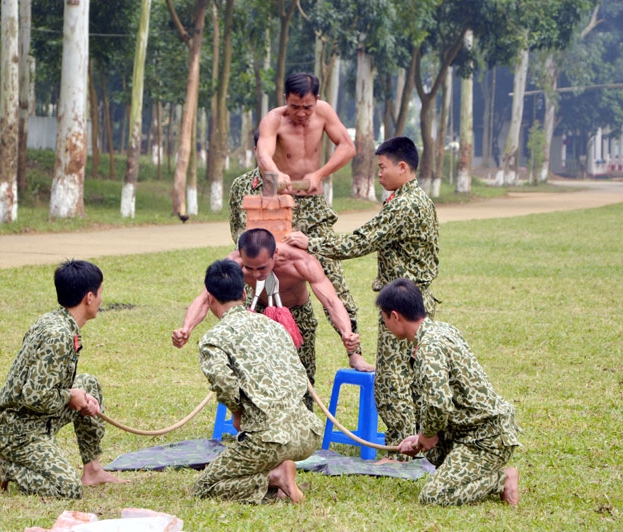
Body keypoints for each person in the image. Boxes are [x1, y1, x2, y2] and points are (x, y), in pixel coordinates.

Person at [284, 136, 439, 460]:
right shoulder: (416, 199)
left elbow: (361, 240)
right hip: (413, 298)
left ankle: (400, 452)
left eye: (382, 167)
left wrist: (312, 243)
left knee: (391, 381)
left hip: (403, 305)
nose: (378, 173)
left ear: (402, 166)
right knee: (410, 378)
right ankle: (415, 445)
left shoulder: (405, 204)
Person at [172, 228, 373, 411]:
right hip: (258, 310)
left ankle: (302, 427)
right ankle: (257, 425)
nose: (256, 274)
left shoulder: (301, 262)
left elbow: (330, 300)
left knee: (302, 376)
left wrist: (346, 332)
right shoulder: (234, 263)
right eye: (249, 269)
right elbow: (206, 297)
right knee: (254, 372)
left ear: (275, 254)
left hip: (296, 314)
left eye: (261, 268)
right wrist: (186, 328)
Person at [0, 259, 125, 499]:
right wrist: (71, 396)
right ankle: (7, 466)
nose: (101, 300)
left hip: (35, 415)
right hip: (21, 429)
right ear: (89, 297)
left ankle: (92, 470)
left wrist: (75, 394)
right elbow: (34, 396)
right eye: (100, 293)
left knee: (87, 383)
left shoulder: (56, 320)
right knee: (67, 488)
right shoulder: (58, 335)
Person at [377, 278, 520, 506]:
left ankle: (502, 479)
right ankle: (470, 469)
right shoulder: (441, 329)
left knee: (433, 496)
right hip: (474, 430)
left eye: (384, 318)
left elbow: (438, 403)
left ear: (395, 316)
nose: (385, 325)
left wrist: (425, 435)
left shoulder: (429, 347)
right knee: (433, 450)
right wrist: (420, 438)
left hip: (485, 438)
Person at [192, 259, 323, 504]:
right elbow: (298, 374)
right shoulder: (274, 326)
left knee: (205, 487)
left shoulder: (214, 339)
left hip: (268, 439)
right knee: (256, 454)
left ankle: (274, 477)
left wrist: (237, 411)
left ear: (210, 297)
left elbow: (223, 381)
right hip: (308, 434)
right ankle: (277, 472)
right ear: (245, 292)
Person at [254, 73, 362, 361]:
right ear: (285, 99)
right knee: (263, 271)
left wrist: (320, 173)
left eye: (307, 107)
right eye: (294, 106)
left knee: (333, 278)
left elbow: (348, 147)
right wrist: (275, 174)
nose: (301, 114)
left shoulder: (324, 112)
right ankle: (262, 343)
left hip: (312, 204)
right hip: (280, 205)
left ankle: (354, 349)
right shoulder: (273, 120)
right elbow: (263, 153)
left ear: (317, 101)